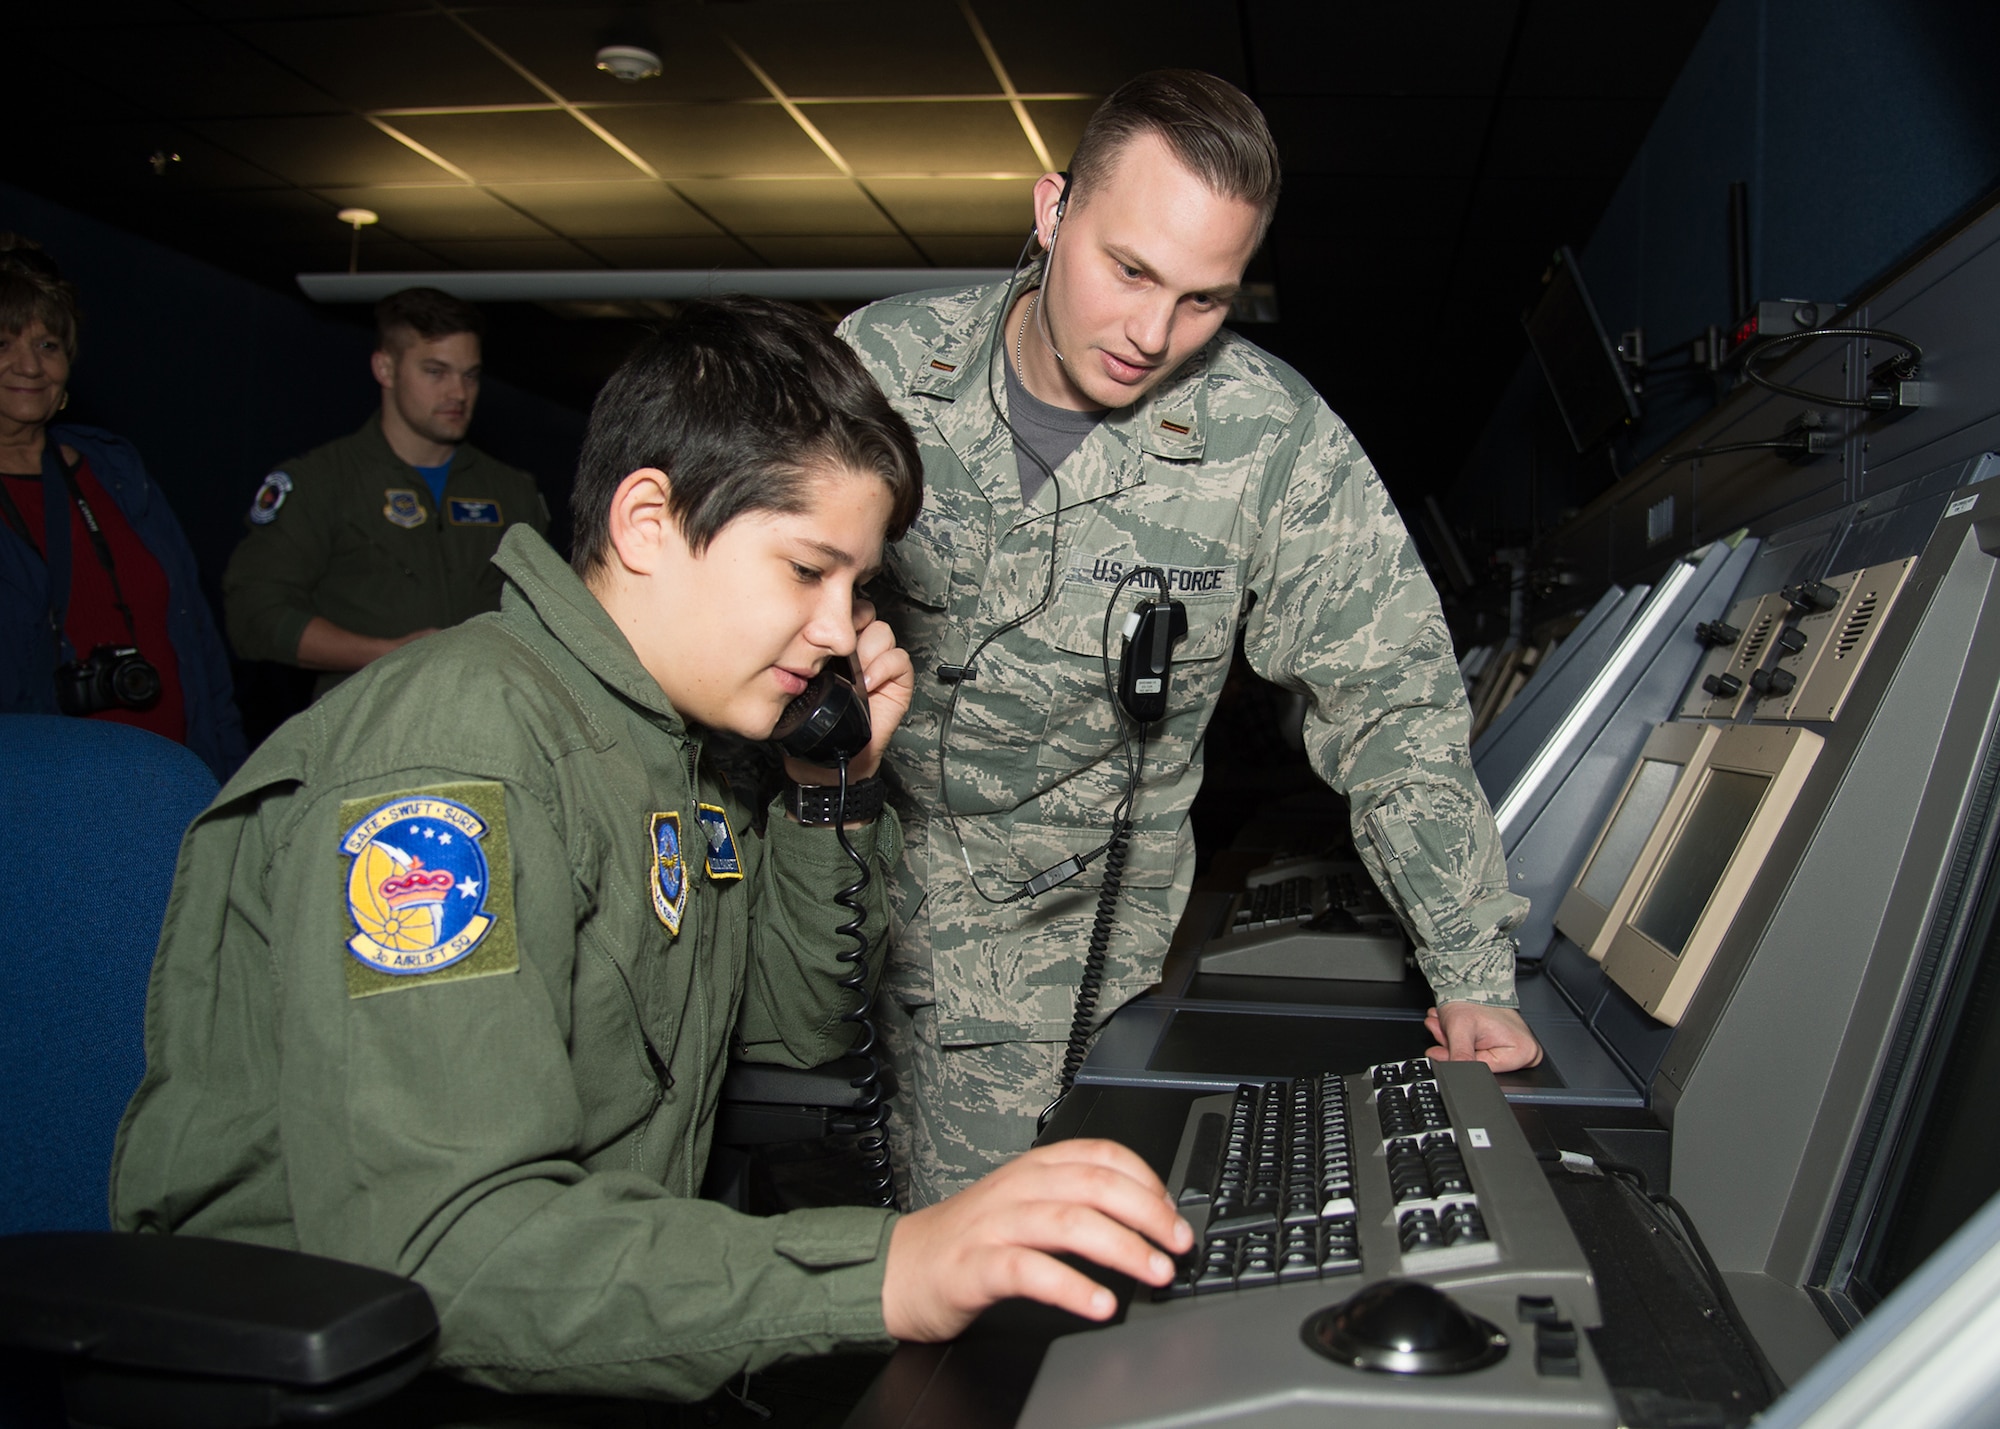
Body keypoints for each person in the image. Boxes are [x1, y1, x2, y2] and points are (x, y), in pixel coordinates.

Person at [111, 297, 1191, 1403]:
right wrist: (886, 1270)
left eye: (855, 589)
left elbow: (798, 1027)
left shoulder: (686, 747)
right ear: (643, 523)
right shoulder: (457, 755)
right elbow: (444, 1249)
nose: (837, 630)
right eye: (805, 571)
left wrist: (830, 791)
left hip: (575, 1350)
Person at [838, 70, 1542, 1205]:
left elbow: (1391, 699)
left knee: (987, 1316)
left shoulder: (1267, 440)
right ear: (1051, 210)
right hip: (827, 893)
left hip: (1048, 967)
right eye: (1128, 270)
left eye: (1204, 300)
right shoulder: (876, 368)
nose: (1151, 335)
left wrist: (1470, 971)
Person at [222, 286, 549, 700]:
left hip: (486, 718)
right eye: (435, 371)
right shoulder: (321, 481)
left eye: (470, 376)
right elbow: (255, 615)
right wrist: (386, 654)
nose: (458, 394)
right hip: (365, 724)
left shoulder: (510, 491)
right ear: (385, 369)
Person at [0, 234, 245, 780]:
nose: (30, 367)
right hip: (39, 800)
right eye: (3, 344)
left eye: (47, 345)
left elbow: (198, 641)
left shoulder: (112, 469)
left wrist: (233, 787)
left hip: (174, 780)